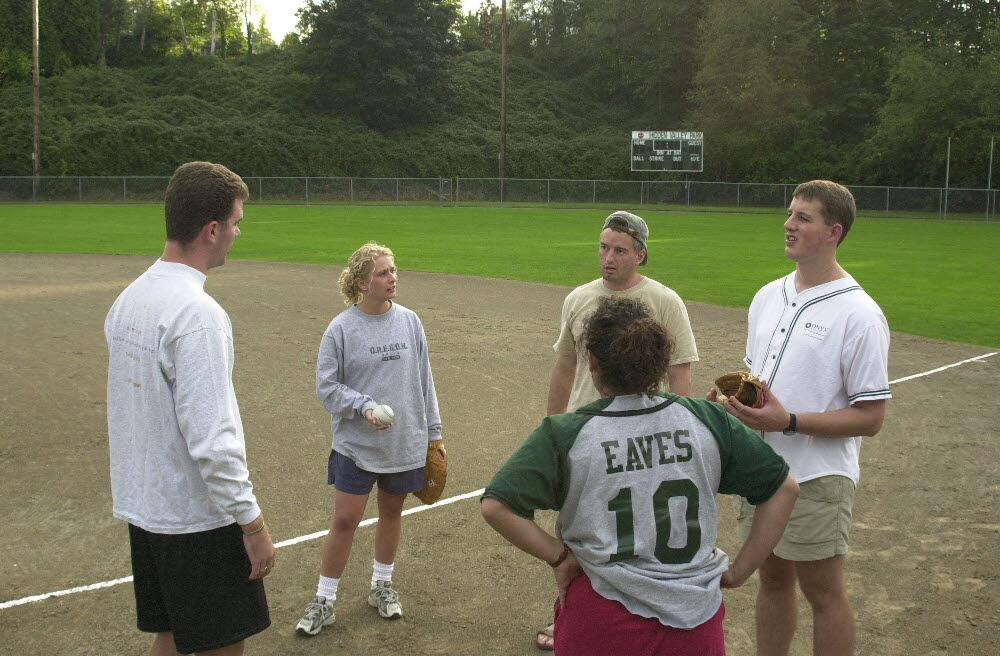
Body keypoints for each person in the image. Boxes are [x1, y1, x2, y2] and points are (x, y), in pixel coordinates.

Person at [483, 296, 799, 656]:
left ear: (593, 362)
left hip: (601, 615)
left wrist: (558, 556)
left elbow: (496, 506)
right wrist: (741, 570)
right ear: (659, 361)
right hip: (693, 620)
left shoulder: (566, 432)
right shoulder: (707, 419)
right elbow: (784, 489)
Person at [713, 180, 891, 656]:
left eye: (803, 218)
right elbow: (759, 378)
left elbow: (871, 417)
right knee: (772, 582)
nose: (788, 224)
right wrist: (736, 398)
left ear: (834, 231)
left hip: (817, 475)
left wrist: (787, 421)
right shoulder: (768, 295)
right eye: (790, 213)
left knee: (823, 593)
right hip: (761, 470)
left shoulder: (860, 314)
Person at [105, 161, 275, 656]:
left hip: (150, 513)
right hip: (198, 520)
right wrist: (253, 525)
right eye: (237, 222)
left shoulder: (130, 298)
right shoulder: (199, 316)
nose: (239, 233)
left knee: (172, 637)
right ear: (212, 229)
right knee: (223, 646)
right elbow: (213, 442)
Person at [536, 209, 700, 649]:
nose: (608, 258)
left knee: (634, 528)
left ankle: (643, 612)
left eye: (620, 250)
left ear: (641, 256)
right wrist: (553, 430)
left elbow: (680, 374)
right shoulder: (577, 299)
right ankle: (567, 614)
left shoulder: (665, 302)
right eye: (604, 247)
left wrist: (680, 433)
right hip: (585, 434)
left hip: (643, 436)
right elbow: (565, 367)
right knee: (573, 532)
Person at [296, 241, 443, 637]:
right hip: (357, 446)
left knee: (392, 513)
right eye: (382, 273)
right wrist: (362, 407)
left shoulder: (410, 322)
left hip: (403, 441)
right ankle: (324, 599)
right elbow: (327, 388)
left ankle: (382, 585)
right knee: (346, 519)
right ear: (362, 282)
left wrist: (434, 433)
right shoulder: (341, 329)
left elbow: (424, 380)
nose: (392, 278)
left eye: (393, 270)